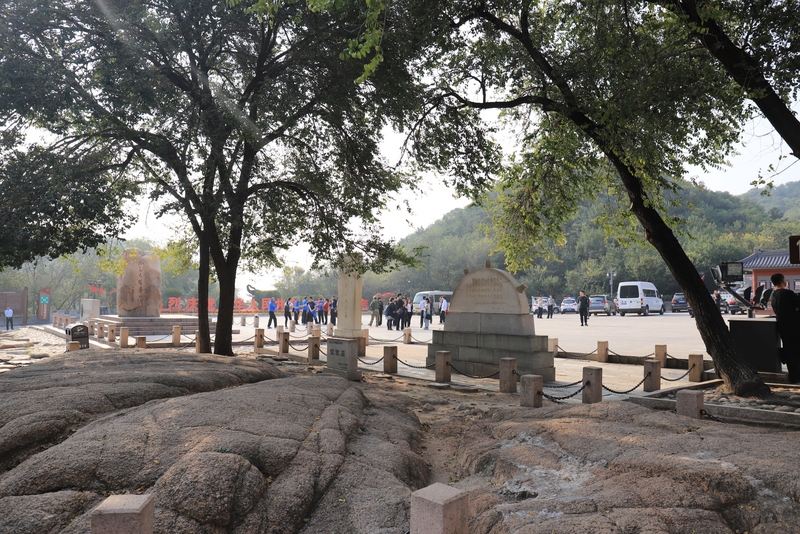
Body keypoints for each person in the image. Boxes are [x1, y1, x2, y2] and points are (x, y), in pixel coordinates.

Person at [770, 273, 800, 383]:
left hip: (782, 326)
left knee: (789, 350)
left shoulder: (774, 295)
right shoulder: (788, 293)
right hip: (794, 326)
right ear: (783, 281)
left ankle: (793, 376)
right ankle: (796, 376)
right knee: (796, 351)